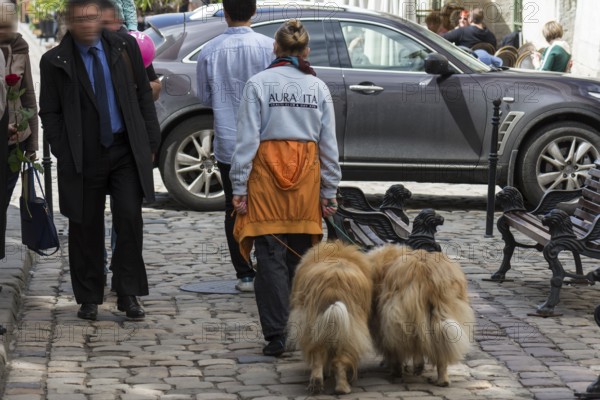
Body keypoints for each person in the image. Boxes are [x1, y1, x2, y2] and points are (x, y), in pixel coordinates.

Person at [39, 0, 160, 320]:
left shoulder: (123, 47)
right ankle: (89, 296)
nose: (88, 24)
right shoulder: (55, 61)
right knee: (84, 225)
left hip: (123, 150)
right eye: (81, 19)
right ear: (69, 22)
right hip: (83, 155)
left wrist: (150, 140)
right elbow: (49, 111)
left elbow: (143, 96)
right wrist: (62, 149)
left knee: (129, 218)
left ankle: (128, 292)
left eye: (93, 17)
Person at [231, 19, 341, 357]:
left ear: (275, 48)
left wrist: (239, 184)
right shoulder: (317, 87)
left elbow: (247, 139)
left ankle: (276, 334)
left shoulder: (258, 84)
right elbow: (328, 144)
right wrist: (330, 189)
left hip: (265, 176)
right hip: (306, 177)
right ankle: (299, 329)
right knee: (299, 255)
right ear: (306, 50)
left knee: (270, 256)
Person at [196, 0, 273, 293]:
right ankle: (268, 266)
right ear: (254, 12)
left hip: (229, 140)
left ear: (225, 13)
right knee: (267, 205)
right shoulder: (268, 47)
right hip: (265, 140)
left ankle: (244, 273)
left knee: (234, 207)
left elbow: (205, 96)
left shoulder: (210, 50)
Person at [1, 0, 39, 209]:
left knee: (4, 200)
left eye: (8, 26)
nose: (3, 31)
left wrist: (32, 143)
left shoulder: (20, 47)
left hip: (15, 140)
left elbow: (29, 96)